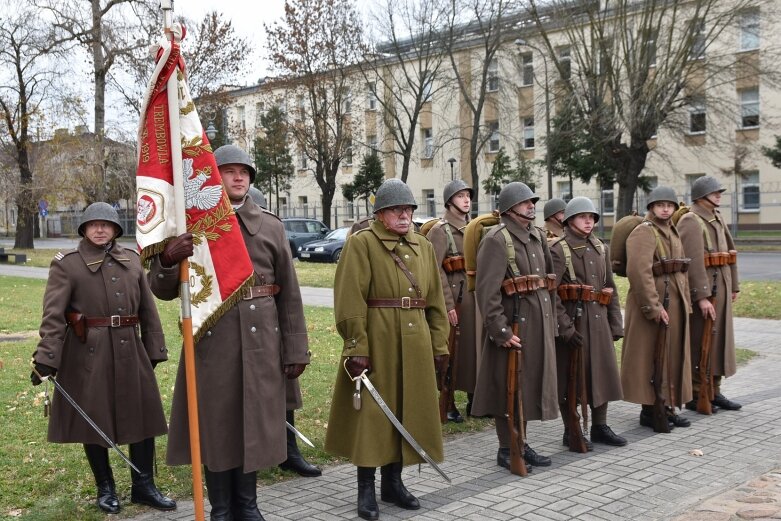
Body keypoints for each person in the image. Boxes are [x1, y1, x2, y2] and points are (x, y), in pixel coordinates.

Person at [150, 144, 310, 520]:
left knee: (252, 424)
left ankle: (248, 504)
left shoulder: (271, 226)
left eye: (245, 172)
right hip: (213, 342)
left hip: (261, 343)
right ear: (213, 177)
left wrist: (296, 348)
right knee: (217, 426)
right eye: (230, 171)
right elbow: (161, 289)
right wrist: (169, 259)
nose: (239, 177)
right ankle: (221, 508)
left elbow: (290, 294)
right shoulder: (191, 226)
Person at [30, 202, 175, 514]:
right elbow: (53, 316)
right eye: (93, 224)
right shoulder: (67, 264)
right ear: (84, 228)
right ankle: (105, 488)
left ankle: (144, 486)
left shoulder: (133, 261)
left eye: (106, 225)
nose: (99, 229)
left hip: (130, 348)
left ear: (116, 230)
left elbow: (148, 310)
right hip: (88, 353)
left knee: (143, 417)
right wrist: (46, 357)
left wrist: (154, 348)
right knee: (93, 419)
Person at [325, 178, 449, 521]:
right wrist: (356, 347)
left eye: (408, 209)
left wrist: (439, 345)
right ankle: (366, 488)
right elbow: (349, 299)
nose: (404, 215)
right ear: (380, 213)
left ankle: (393, 483)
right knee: (373, 417)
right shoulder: (362, 244)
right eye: (396, 209)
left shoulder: (423, 247)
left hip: (416, 342)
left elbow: (436, 301)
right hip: (377, 341)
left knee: (405, 411)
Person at [471, 182, 558, 472]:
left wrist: (551, 320)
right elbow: (487, 291)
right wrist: (500, 331)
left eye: (532, 201)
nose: (531, 206)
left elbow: (547, 280)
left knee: (527, 385)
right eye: (524, 203)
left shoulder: (536, 236)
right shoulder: (496, 239)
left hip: (537, 325)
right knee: (507, 388)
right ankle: (507, 448)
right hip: (513, 327)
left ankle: (521, 442)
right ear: (510, 208)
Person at [248, 184, 321, 476]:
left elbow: (287, 288)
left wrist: (292, 341)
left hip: (271, 324)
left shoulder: (270, 231)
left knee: (283, 391)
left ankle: (288, 451)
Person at [550, 197, 626, 450]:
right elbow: (552, 294)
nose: (588, 221)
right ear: (569, 220)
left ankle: (600, 426)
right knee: (571, 378)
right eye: (583, 217)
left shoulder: (600, 247)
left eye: (592, 217)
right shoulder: (558, 250)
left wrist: (615, 324)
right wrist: (565, 328)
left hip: (598, 320)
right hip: (575, 322)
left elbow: (609, 288)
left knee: (601, 373)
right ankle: (571, 428)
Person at [620, 186, 693, 432]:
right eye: (660, 204)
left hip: (674, 302)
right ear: (651, 207)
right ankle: (650, 409)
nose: (665, 209)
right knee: (650, 358)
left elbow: (680, 269)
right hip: (652, 305)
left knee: (669, 356)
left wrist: (685, 302)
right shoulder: (644, 232)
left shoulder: (671, 230)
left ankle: (667, 406)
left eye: (669, 205)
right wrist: (653, 306)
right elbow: (639, 273)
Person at [678, 175, 742, 412]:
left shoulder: (716, 216)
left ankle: (714, 390)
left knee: (719, 341)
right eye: (715, 192)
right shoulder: (691, 220)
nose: (719, 195)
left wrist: (734, 284)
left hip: (722, 287)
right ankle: (696, 393)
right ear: (701, 195)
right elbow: (692, 263)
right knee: (700, 341)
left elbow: (730, 252)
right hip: (707, 291)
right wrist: (701, 296)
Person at [426, 179, 480, 421]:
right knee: (451, 354)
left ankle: (475, 399)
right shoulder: (441, 231)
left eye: (468, 195)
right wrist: (447, 305)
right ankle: (446, 404)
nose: (466, 199)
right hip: (455, 301)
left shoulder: (474, 228)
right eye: (460, 196)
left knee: (474, 352)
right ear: (449, 201)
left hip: (473, 300)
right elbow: (434, 271)